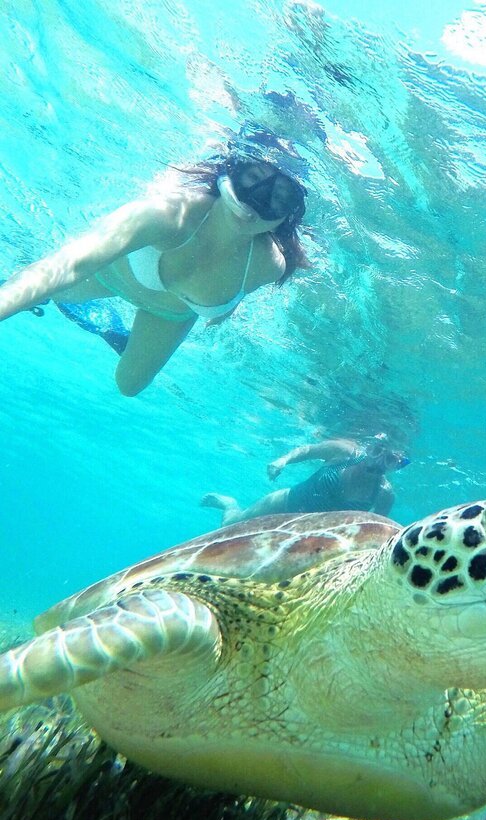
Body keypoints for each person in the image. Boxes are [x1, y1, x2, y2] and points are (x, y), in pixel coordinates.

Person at [0, 128, 309, 395]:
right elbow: (71, 264)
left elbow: (239, 293)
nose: (255, 203)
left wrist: (221, 312)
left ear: (287, 217)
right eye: (252, 180)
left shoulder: (269, 265)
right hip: (107, 276)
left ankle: (113, 331)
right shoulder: (168, 214)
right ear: (229, 174)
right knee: (51, 289)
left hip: (167, 314)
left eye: (279, 199)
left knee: (129, 385)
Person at [201, 434, 410, 525]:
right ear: (369, 447)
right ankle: (229, 504)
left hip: (312, 534)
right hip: (283, 504)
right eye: (377, 451)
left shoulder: (384, 494)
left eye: (391, 460)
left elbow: (371, 527)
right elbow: (309, 450)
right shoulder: (345, 453)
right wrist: (282, 461)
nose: (380, 461)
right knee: (231, 527)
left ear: (398, 465)